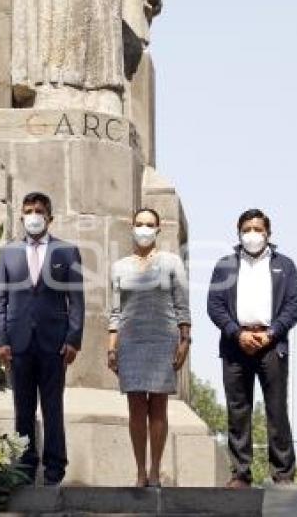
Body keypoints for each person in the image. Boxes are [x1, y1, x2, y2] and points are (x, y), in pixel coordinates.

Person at [0, 192, 85, 486]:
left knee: (53, 407)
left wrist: (74, 338)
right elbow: (0, 300)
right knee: (23, 408)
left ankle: (55, 469)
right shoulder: (8, 252)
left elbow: (77, 300)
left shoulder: (67, 252)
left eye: (39, 211)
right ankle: (25, 467)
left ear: (49, 217)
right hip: (18, 343)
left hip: (54, 343)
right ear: (21, 215)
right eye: (29, 210)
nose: (34, 215)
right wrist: (0, 340)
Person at [208, 209, 297, 488]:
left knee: (276, 409)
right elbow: (215, 306)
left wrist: (272, 333)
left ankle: (283, 474)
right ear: (239, 233)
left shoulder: (285, 266)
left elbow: (294, 306)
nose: (252, 234)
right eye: (247, 229)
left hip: (271, 344)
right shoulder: (225, 265)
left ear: (268, 233)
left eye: (257, 229)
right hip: (235, 345)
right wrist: (237, 334)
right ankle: (240, 473)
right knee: (238, 410)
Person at [108, 208, 191, 487]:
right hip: (130, 341)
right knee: (135, 409)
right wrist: (111, 348)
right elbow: (116, 312)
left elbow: (182, 305)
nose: (144, 229)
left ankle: (155, 469)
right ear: (132, 227)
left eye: (149, 224)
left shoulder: (171, 262)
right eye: (139, 224)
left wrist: (185, 340)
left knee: (158, 406)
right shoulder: (119, 266)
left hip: (162, 339)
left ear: (158, 229)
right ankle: (140, 471)